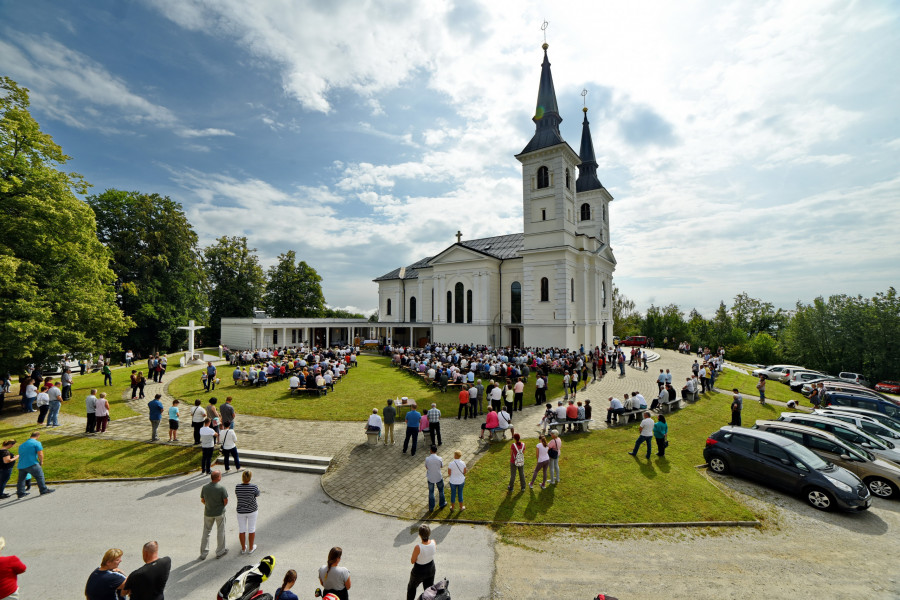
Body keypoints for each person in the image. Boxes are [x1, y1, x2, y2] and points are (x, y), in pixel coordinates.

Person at [199, 469, 228, 560]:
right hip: (219, 513)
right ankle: (220, 551)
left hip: (208, 513)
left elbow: (203, 500)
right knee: (220, 531)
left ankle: (203, 553)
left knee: (206, 532)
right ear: (218, 477)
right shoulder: (221, 488)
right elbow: (225, 501)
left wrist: (208, 505)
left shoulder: (205, 487)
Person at [15, 431, 54, 498]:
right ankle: (43, 490)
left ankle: (20, 493)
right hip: (32, 463)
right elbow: (40, 454)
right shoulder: (36, 443)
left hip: (21, 465)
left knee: (21, 480)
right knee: (39, 476)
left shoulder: (22, 445)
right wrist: (41, 461)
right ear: (38, 436)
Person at [406, 524, 436, 600]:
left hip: (419, 571)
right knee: (428, 591)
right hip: (431, 568)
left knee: (412, 588)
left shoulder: (418, 547)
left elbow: (412, 561)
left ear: (419, 535)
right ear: (429, 533)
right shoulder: (433, 542)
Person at [235, 469, 260, 555]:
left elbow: (237, 494)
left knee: (242, 530)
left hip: (240, 511)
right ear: (250, 477)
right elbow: (257, 494)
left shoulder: (237, 487)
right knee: (251, 529)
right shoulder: (254, 487)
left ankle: (243, 548)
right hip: (252, 510)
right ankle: (251, 548)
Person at [425, 445, 446, 511]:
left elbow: (426, 467)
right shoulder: (439, 458)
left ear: (431, 450)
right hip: (438, 476)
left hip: (430, 477)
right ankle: (442, 504)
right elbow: (441, 466)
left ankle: (431, 508)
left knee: (431, 492)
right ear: (436, 451)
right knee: (441, 491)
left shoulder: (427, 459)